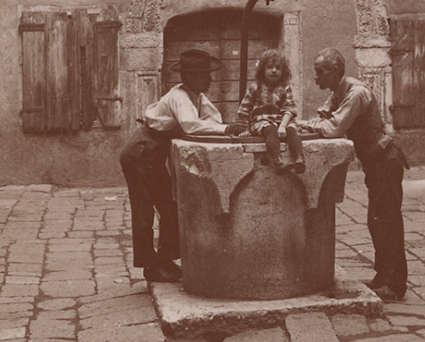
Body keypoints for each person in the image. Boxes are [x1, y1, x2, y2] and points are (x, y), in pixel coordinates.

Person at [119, 48, 244, 283]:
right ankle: (150, 266)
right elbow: (191, 126)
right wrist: (226, 130)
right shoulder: (179, 96)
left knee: (169, 206)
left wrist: (223, 126)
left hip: (153, 156)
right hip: (140, 152)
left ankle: (165, 260)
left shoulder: (196, 96)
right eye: (205, 74)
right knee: (144, 210)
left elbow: (212, 118)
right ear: (192, 77)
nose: (210, 79)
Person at [300, 48, 409, 302]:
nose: (316, 78)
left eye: (320, 72)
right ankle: (383, 277)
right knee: (376, 221)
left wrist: (306, 125)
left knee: (388, 223)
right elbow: (323, 117)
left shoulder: (355, 93)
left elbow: (334, 128)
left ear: (336, 71)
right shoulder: (338, 92)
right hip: (375, 164)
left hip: (386, 161)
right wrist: (309, 123)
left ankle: (396, 285)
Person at [237, 49, 305, 173]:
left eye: (278, 68)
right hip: (263, 121)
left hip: (282, 121)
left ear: (283, 71)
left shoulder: (285, 88)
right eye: (269, 67)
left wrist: (283, 126)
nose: (274, 70)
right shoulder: (255, 88)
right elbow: (244, 109)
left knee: (292, 131)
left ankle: (299, 159)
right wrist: (245, 129)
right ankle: (278, 160)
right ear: (262, 70)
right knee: (270, 131)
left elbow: (289, 108)